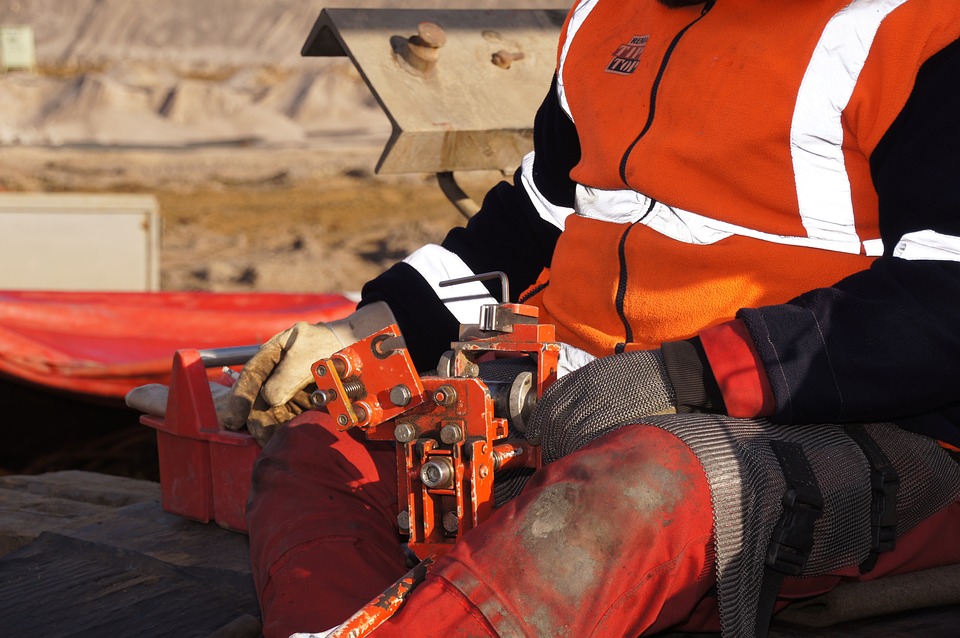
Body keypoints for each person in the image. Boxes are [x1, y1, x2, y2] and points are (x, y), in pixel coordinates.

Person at [221, 0, 960, 636]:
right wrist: (370, 327)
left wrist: (687, 378)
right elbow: (530, 226)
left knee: (632, 493)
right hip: (573, 399)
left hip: (837, 423)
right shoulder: (606, 18)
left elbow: (943, 302)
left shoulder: (921, 31)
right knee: (326, 442)